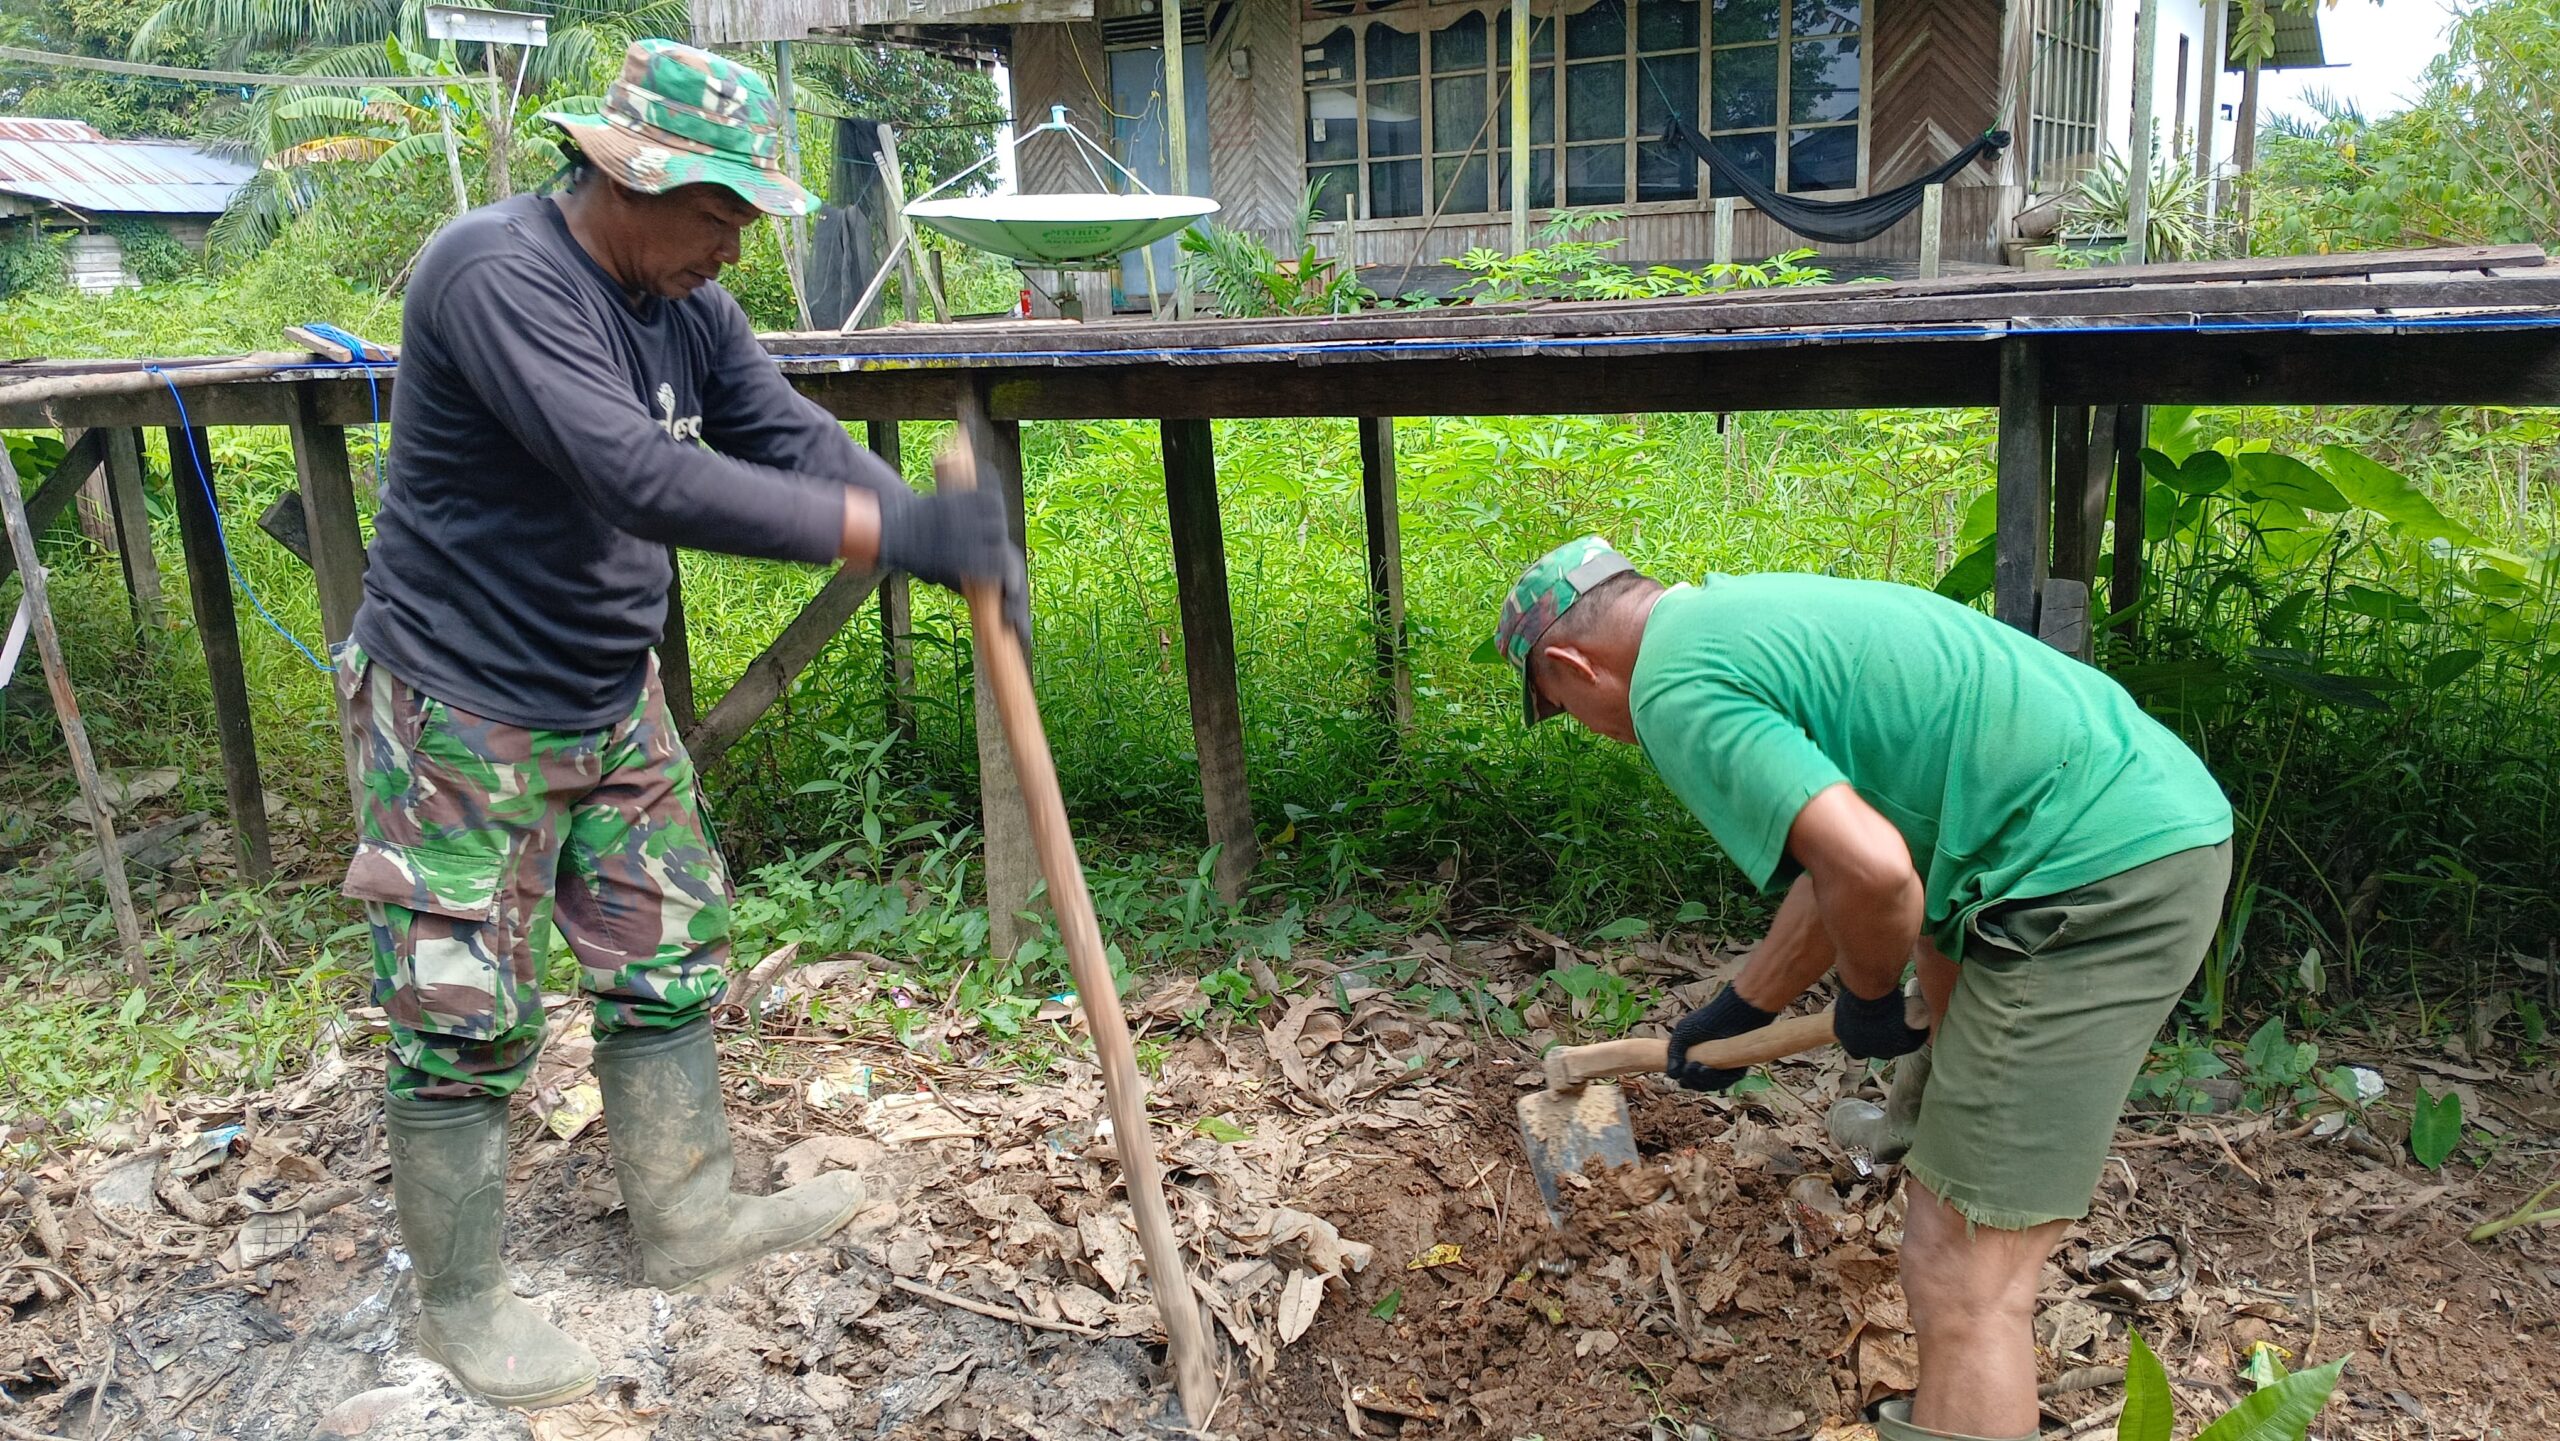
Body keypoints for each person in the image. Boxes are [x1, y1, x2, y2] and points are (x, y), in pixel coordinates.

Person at [333, 39, 1028, 1410]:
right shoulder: (494, 274)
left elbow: (774, 430)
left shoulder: (683, 301)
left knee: (665, 953)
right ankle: (465, 1307)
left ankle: (688, 1219)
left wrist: (912, 522)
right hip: (464, 706)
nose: (733, 249)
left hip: (608, 691)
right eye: (719, 216)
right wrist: (890, 526)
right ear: (628, 174)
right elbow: (638, 474)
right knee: (460, 1003)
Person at [1495, 537, 2233, 1441]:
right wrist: (1743, 1008)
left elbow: (1879, 877)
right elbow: (1841, 854)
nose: (1583, 724)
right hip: (2105, 818)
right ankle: (1922, 1130)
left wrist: (1871, 997)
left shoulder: (1671, 690)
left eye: (1562, 706)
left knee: (1963, 1275)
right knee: (1940, 1055)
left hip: (2092, 882)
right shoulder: (1733, 614)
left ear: (1571, 664)